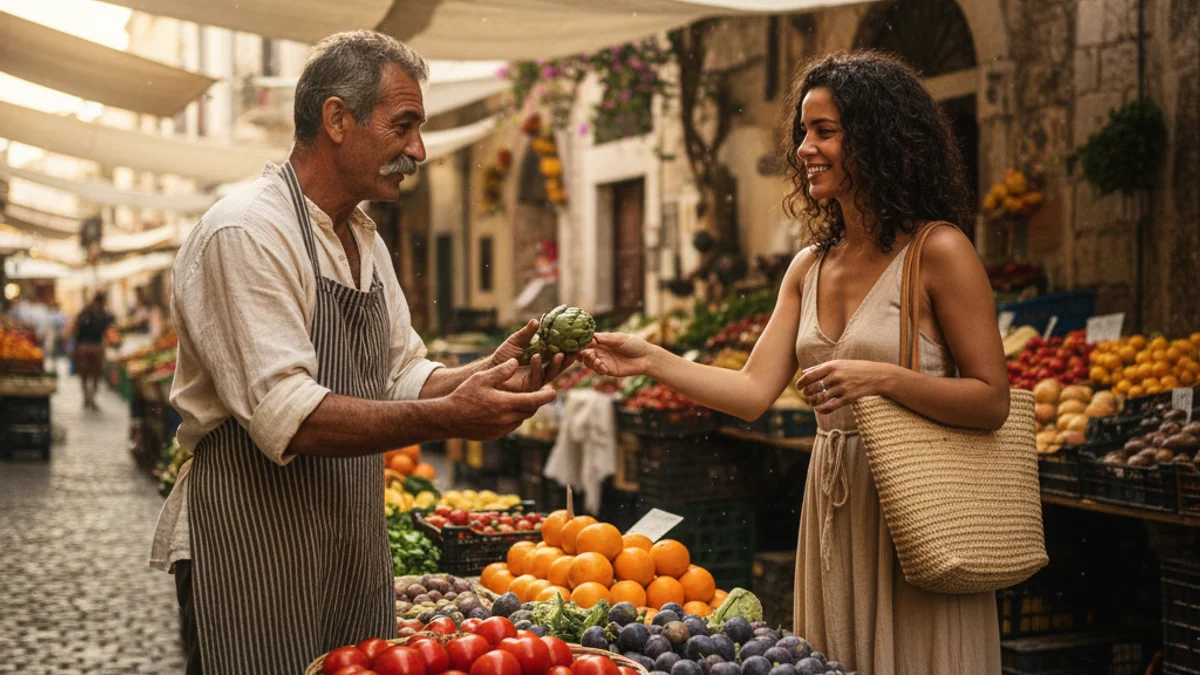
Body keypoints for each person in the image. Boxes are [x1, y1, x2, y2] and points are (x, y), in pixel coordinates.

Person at [149, 31, 567, 675]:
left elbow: (401, 374)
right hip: (255, 541)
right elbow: (290, 413)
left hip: (348, 537)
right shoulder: (247, 233)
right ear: (337, 119)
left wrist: (489, 373)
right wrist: (452, 417)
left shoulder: (363, 239)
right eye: (404, 126)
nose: (418, 150)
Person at [581, 51, 1009, 674]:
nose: (806, 147)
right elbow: (753, 391)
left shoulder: (939, 251)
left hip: (917, 506)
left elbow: (992, 399)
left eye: (825, 131)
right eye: (803, 132)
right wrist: (650, 359)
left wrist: (882, 378)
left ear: (879, 139)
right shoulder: (809, 265)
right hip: (834, 503)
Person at [72, 293, 113, 410]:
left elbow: (106, 332)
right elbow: (76, 328)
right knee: (84, 374)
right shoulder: (85, 313)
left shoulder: (104, 315)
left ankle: (91, 397)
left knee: (96, 374)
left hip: (95, 347)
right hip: (84, 347)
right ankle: (86, 396)